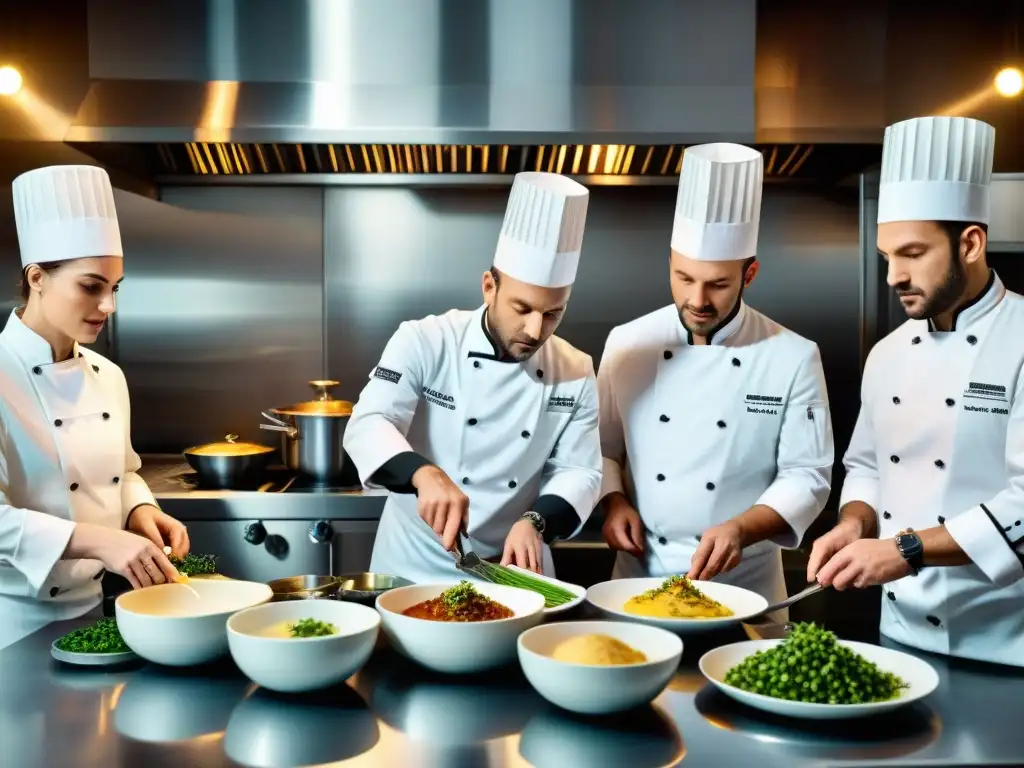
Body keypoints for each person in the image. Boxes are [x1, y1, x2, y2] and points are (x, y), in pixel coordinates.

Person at [807, 116, 1024, 667]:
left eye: (912, 254)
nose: (893, 277)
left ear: (970, 242)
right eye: (886, 259)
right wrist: (855, 522)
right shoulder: (888, 353)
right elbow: (866, 467)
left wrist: (906, 550)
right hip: (902, 637)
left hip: (1008, 642)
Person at [598, 143, 834, 608]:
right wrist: (614, 502)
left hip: (743, 588)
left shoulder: (793, 355)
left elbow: (807, 474)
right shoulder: (626, 343)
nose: (698, 299)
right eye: (684, 278)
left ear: (750, 273)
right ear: (669, 260)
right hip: (636, 581)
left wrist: (741, 529)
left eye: (718, 284)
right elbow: (602, 448)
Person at [343, 171, 603, 583]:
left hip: (516, 572)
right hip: (414, 566)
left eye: (553, 313)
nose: (536, 330)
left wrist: (536, 521)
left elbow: (580, 471)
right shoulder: (426, 340)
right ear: (488, 287)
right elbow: (370, 423)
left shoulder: (575, 368)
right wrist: (424, 473)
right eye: (522, 308)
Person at [0, 165, 189, 650]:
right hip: (10, 626)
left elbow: (121, 473)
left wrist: (140, 511)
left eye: (116, 286)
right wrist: (100, 541)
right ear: (37, 277)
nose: (109, 305)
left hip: (92, 615)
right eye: (91, 286)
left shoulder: (108, 377)